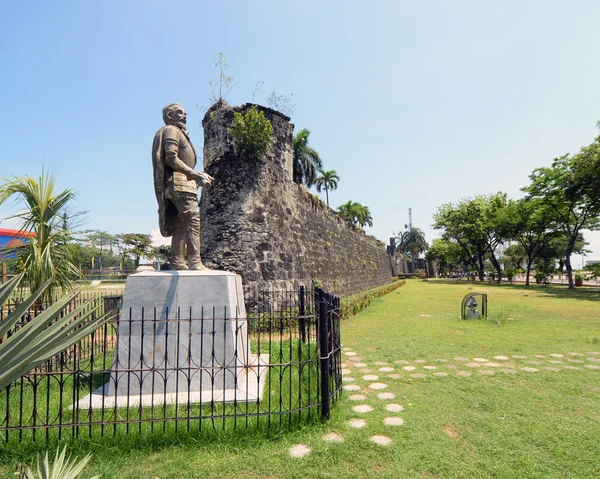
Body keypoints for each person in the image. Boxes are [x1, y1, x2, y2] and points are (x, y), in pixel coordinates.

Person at [152, 103, 213, 270]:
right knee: (193, 219)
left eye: (185, 112)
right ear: (169, 116)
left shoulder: (179, 132)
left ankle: (177, 261)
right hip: (179, 182)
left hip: (182, 183)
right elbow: (171, 158)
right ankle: (195, 261)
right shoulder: (172, 130)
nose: (184, 115)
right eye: (179, 112)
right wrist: (194, 174)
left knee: (180, 223)